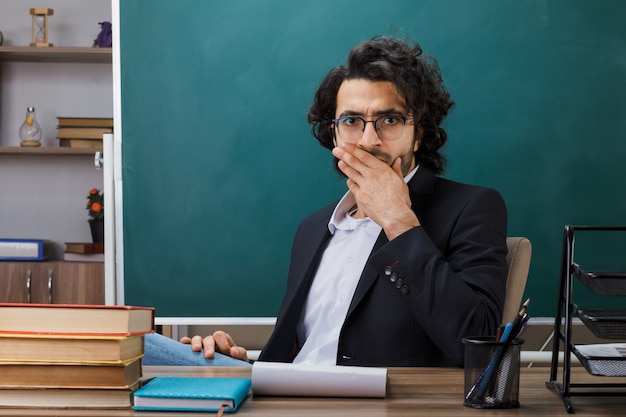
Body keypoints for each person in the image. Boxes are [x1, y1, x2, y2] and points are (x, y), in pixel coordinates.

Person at [143, 35, 507, 368]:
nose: (368, 140)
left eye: (390, 120)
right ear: (332, 132)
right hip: (287, 404)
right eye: (351, 120)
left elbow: (478, 347)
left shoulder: (472, 208)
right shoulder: (314, 229)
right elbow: (301, 353)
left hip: (380, 408)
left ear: (418, 135)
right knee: (147, 360)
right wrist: (234, 361)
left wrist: (399, 220)